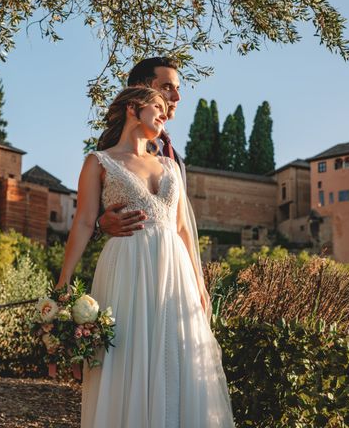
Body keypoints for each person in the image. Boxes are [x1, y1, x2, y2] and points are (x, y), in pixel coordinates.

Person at [56, 87, 234, 427]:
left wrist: (199, 281)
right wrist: (64, 282)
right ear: (133, 109)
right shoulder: (99, 161)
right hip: (126, 265)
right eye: (159, 106)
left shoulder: (169, 166)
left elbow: (182, 227)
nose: (166, 113)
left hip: (175, 271)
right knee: (127, 355)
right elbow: (82, 222)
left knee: (178, 357)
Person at [96, 57, 185, 238]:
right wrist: (100, 224)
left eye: (177, 89)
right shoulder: (112, 147)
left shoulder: (175, 160)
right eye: (167, 87)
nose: (177, 97)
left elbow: (181, 223)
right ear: (140, 90)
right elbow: (90, 211)